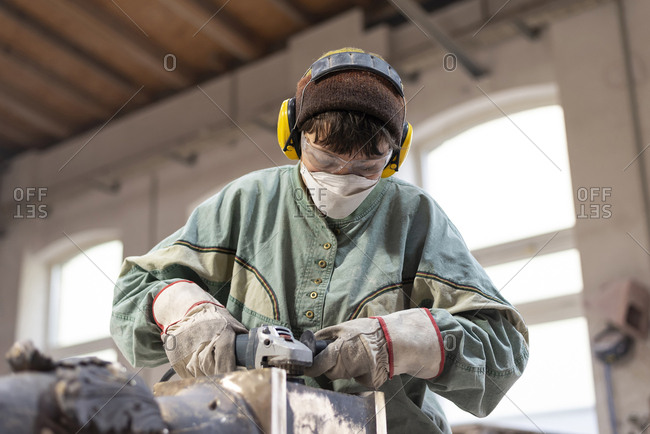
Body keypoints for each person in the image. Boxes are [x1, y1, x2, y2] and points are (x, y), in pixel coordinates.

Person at [111, 47, 529, 433]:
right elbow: (134, 293)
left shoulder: (414, 217)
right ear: (291, 134)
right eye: (325, 159)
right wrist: (185, 312)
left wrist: (397, 340)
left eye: (368, 166)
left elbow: (503, 349)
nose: (343, 179)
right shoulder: (247, 202)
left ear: (395, 155)